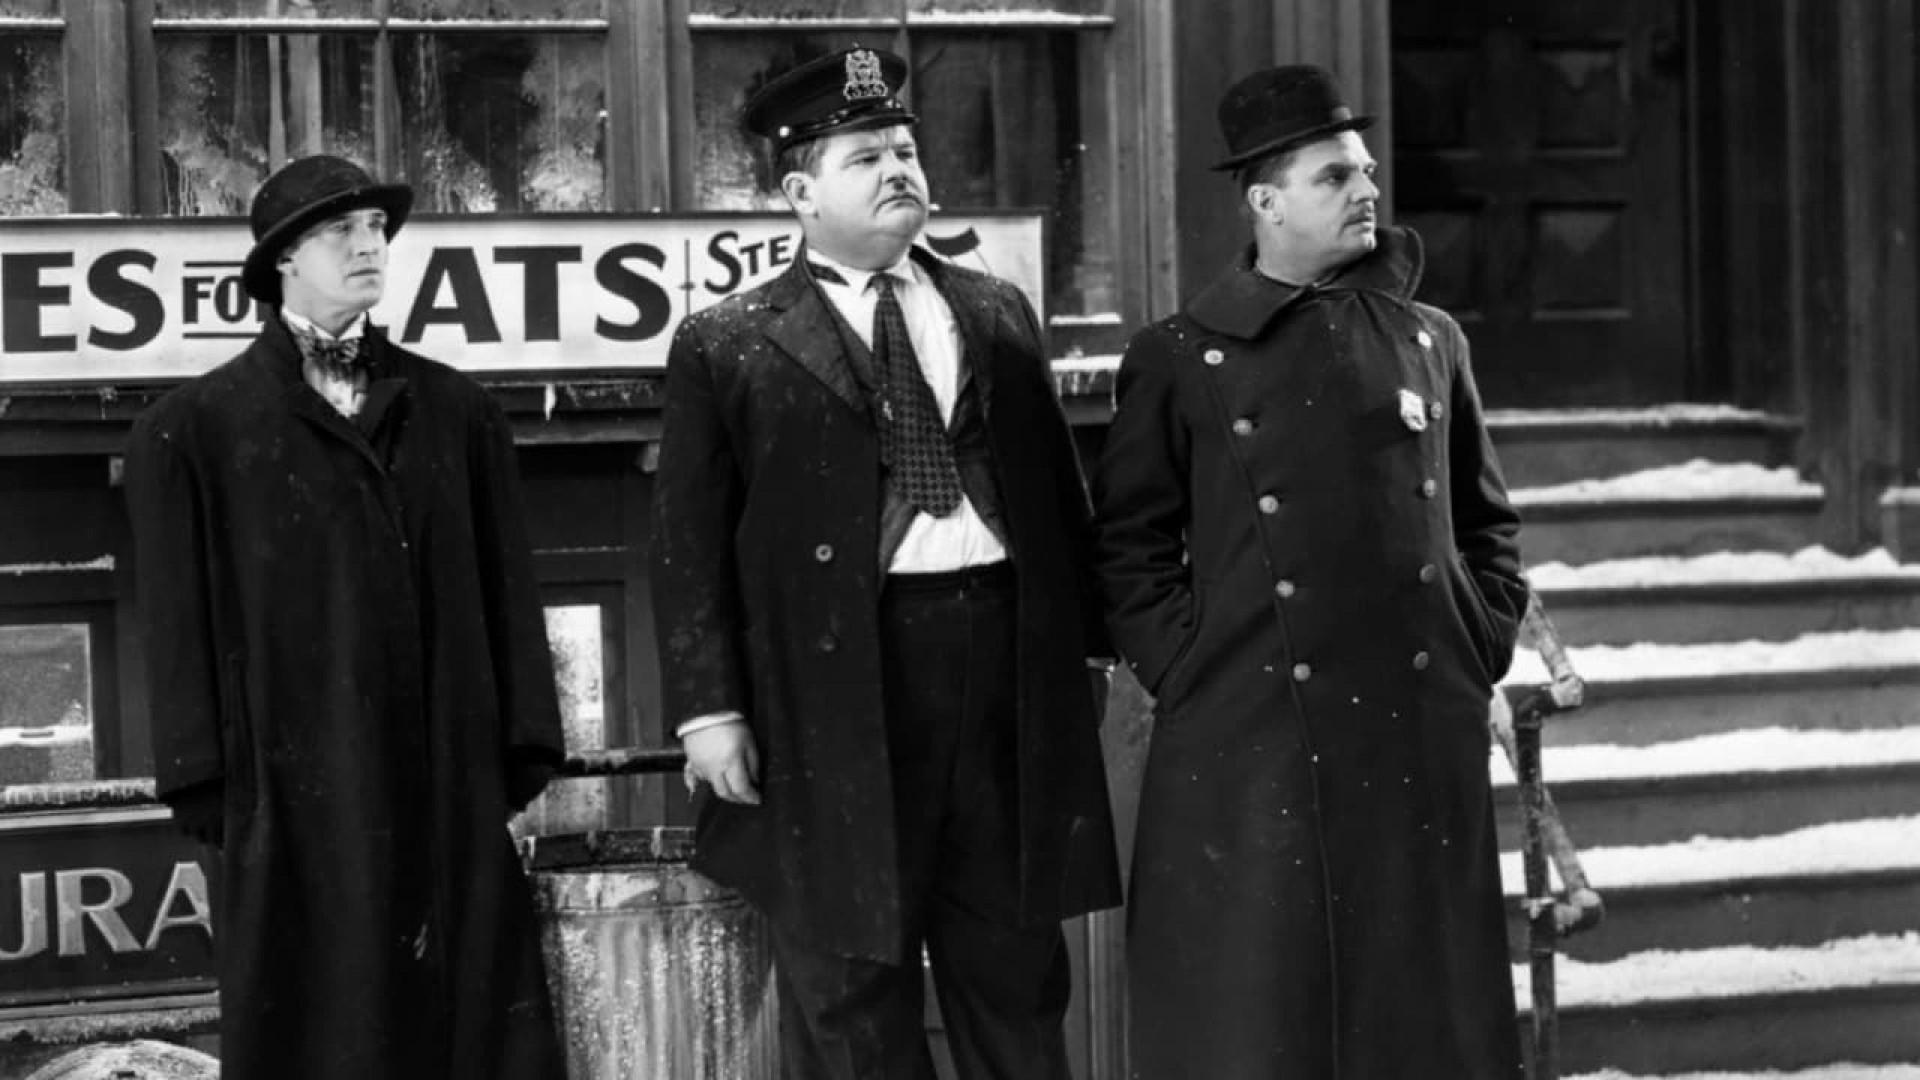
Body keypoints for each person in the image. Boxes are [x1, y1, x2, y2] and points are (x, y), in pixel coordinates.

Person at [650, 45, 1121, 1080]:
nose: (898, 170)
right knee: (851, 984)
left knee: (1014, 971)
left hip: (997, 669)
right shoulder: (727, 342)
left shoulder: (993, 309)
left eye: (904, 150)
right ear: (800, 194)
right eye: (864, 158)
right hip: (828, 689)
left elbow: (1058, 496)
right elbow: (687, 544)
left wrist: (1085, 653)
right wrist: (708, 710)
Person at [1092, 65, 1530, 1079]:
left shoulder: (1428, 338)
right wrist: (1189, 668)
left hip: (1416, 722)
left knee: (1420, 1011)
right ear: (1266, 202)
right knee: (1263, 1010)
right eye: (1334, 176)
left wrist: (1482, 638)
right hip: (1254, 734)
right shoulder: (1180, 355)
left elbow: (1484, 522)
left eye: (1364, 170)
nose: (1366, 190)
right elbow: (1129, 546)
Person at [124, 155, 567, 1080]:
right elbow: (175, 622)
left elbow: (508, 589)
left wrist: (522, 746)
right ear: (283, 259)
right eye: (340, 232)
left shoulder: (458, 412)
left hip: (446, 781)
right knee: (323, 1025)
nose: (369, 247)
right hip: (290, 793)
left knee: (468, 1026)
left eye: (376, 230)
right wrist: (204, 779)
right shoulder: (191, 430)